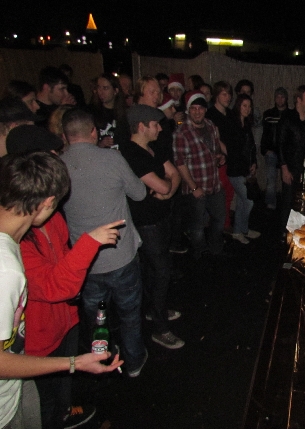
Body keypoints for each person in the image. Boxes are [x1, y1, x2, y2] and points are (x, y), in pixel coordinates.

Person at [6, 132, 122, 428]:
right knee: (43, 402)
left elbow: (64, 260)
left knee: (61, 388)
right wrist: (90, 242)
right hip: (37, 338)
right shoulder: (9, 260)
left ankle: (65, 411)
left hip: (63, 320)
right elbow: (55, 285)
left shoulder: (49, 218)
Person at [60, 108, 148, 378]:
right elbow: (140, 193)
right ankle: (134, 361)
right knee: (129, 314)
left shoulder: (58, 165)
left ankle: (99, 360)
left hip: (85, 262)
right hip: (120, 256)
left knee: (97, 318)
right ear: (93, 132)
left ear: (65, 135)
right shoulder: (111, 158)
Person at [121, 105, 184, 349]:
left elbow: (174, 176)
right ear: (141, 127)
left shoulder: (152, 147)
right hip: (146, 223)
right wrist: (167, 188)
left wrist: (166, 192)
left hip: (160, 217)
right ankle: (160, 328)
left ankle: (154, 310)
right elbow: (165, 184)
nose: (160, 128)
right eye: (155, 124)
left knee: (154, 271)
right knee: (161, 272)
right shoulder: (131, 153)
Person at [173, 92, 227, 259]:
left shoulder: (210, 125)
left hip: (214, 183)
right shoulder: (182, 132)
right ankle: (200, 254)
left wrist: (220, 156)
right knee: (197, 226)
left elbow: (215, 149)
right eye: (193, 108)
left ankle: (216, 249)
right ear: (188, 110)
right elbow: (180, 163)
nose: (197, 112)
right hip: (195, 187)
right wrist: (193, 187)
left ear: (205, 110)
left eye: (200, 108)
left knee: (219, 219)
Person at [277, 85, 305, 231]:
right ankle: (285, 233)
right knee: (288, 202)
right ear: (299, 100)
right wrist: (284, 168)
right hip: (291, 168)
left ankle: (302, 232)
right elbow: (280, 144)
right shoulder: (287, 117)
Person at [225, 93, 260, 244]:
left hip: (245, 169)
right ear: (238, 106)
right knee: (248, 200)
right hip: (235, 169)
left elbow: (251, 147)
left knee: (242, 201)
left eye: (249, 106)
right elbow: (233, 150)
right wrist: (246, 165)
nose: (247, 109)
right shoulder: (232, 124)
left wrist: (254, 163)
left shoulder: (246, 124)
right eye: (244, 105)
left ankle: (240, 230)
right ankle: (239, 230)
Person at [206, 81, 236, 233]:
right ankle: (219, 225)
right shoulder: (210, 115)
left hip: (230, 159)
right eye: (224, 94)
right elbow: (214, 139)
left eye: (229, 94)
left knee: (229, 192)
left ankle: (225, 222)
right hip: (218, 160)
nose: (228, 97)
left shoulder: (230, 114)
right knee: (219, 194)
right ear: (216, 96)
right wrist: (227, 152)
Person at [261, 87, 288, 210]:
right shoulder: (268, 114)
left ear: (286, 99)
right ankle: (270, 205)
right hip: (271, 151)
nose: (280, 99)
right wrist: (265, 149)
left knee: (286, 180)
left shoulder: (290, 115)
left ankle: (286, 205)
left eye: (282, 97)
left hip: (286, 153)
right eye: (277, 97)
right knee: (271, 180)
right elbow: (265, 133)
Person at [90, 73, 130, 148]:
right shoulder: (91, 112)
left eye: (105, 88)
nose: (100, 92)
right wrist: (100, 144)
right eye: (98, 87)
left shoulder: (125, 113)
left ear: (115, 91)